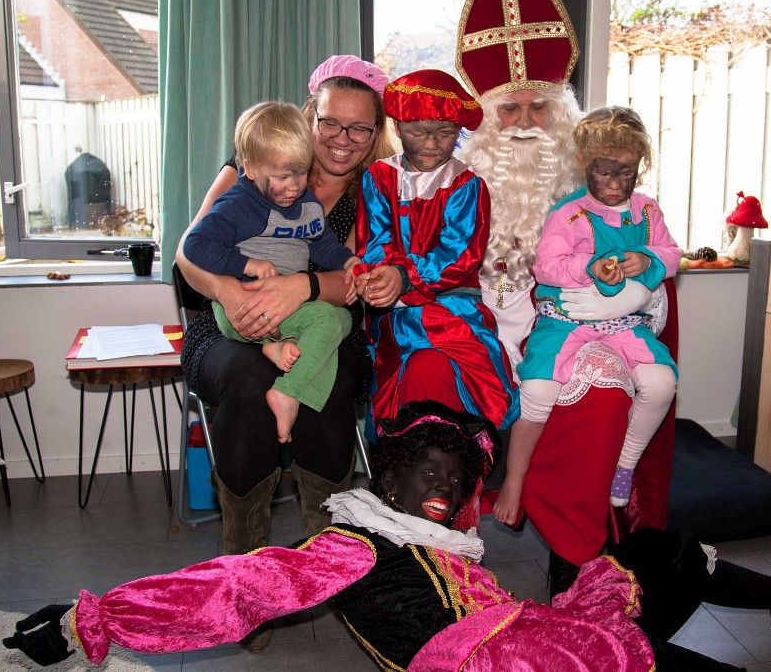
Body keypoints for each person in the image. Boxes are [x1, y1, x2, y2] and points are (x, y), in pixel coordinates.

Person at [3, 400, 771, 672]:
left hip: (549, 640)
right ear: (387, 481)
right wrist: (92, 618)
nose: (444, 487)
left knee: (655, 548)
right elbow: (238, 585)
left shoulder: (443, 543)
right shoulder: (356, 543)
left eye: (457, 476)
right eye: (427, 472)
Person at [455, 0, 678, 594]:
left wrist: (636, 296)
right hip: (472, 334)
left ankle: (572, 550)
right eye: (509, 110)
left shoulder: (598, 192)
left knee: (602, 399)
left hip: (573, 332)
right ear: (485, 119)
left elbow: (655, 260)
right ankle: (440, 561)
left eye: (540, 109)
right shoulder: (456, 183)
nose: (526, 124)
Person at [175, 55, 396, 567]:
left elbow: (350, 282)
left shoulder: (374, 190)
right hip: (230, 318)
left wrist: (302, 286)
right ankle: (242, 561)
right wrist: (230, 292)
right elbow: (189, 252)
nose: (343, 139)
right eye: (330, 122)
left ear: (376, 133)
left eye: (360, 128)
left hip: (318, 316)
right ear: (309, 116)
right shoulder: (254, 163)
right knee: (249, 378)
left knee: (329, 378)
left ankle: (323, 559)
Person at [492, 105, 680, 525]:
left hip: (623, 323)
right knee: (538, 390)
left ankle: (625, 465)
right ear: (583, 163)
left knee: (662, 382)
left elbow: (671, 254)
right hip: (566, 319)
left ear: (640, 164)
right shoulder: (568, 213)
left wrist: (646, 258)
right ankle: (514, 478)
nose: (615, 185)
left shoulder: (648, 211)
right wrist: (589, 268)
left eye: (626, 173)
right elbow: (546, 268)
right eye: (604, 172)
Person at [351, 69, 520, 529]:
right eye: (419, 131)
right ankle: (402, 510)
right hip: (394, 318)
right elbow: (373, 241)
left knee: (445, 377)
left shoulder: (468, 185)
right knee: (405, 384)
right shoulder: (378, 178)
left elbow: (460, 256)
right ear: (397, 127)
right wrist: (381, 275)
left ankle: (454, 512)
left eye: (445, 133)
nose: (431, 143)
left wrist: (404, 276)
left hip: (453, 311)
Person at [182, 100, 360, 445]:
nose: (294, 186)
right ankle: (288, 389)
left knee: (341, 320)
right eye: (282, 177)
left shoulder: (305, 203)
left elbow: (321, 244)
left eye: (301, 173)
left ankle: (277, 352)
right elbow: (195, 245)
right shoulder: (238, 206)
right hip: (241, 309)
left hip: (285, 307)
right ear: (249, 168)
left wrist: (346, 260)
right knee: (329, 322)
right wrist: (244, 265)